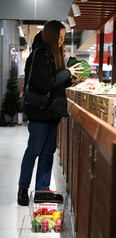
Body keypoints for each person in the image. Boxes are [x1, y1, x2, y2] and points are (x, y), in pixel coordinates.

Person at [17, 20, 83, 206]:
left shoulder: (54, 53)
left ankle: (42, 190)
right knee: (34, 151)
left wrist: (71, 79)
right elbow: (44, 83)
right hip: (39, 112)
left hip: (52, 111)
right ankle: (23, 189)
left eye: (63, 37)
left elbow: (55, 83)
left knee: (48, 153)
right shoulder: (39, 54)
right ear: (51, 36)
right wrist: (66, 73)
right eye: (59, 37)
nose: (61, 40)